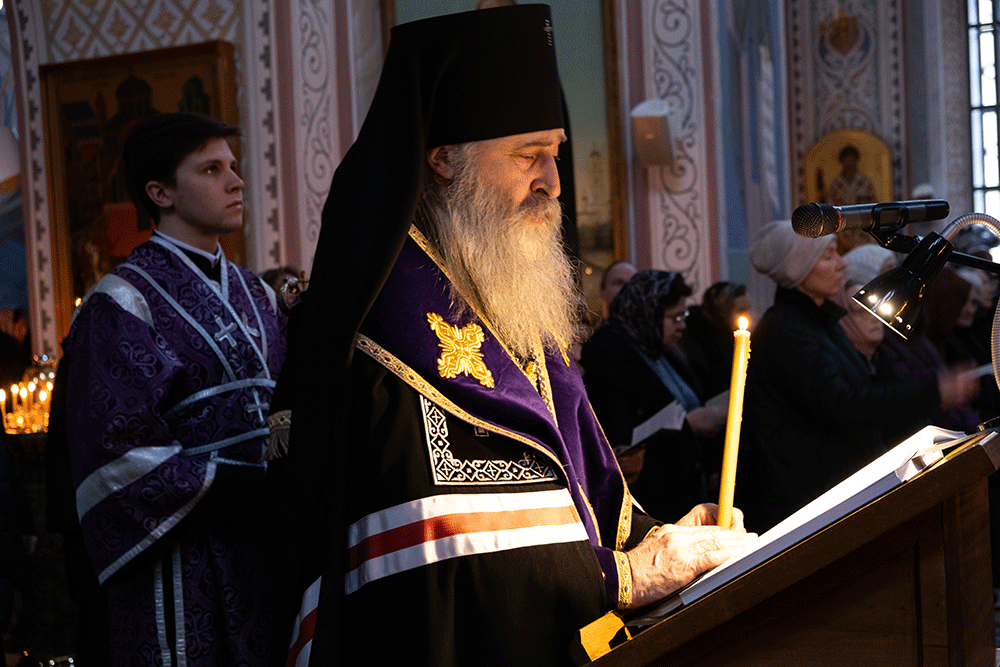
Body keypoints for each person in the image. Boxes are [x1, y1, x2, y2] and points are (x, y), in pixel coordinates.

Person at [264, 7, 756, 666]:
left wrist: (657, 536)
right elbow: (431, 547)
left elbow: (576, 487)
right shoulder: (382, 332)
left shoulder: (504, 300)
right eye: (529, 156)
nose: (553, 183)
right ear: (444, 159)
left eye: (555, 153)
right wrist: (625, 575)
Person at [61, 112, 286, 666]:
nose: (236, 182)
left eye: (232, 166)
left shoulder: (259, 295)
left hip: (266, 549)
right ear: (159, 193)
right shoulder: (121, 301)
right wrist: (242, 487)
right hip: (180, 560)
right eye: (211, 170)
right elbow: (117, 454)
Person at [739, 220, 977, 532]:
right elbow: (844, 404)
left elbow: (863, 387)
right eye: (829, 256)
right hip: (806, 503)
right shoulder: (785, 330)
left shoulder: (820, 321)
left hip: (833, 491)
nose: (841, 264)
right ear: (800, 270)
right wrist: (934, 388)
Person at [581, 271, 725, 516]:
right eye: (674, 317)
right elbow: (620, 437)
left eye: (684, 316)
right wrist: (688, 425)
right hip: (650, 497)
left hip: (685, 483)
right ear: (647, 314)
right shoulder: (610, 357)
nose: (682, 325)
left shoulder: (662, 350)